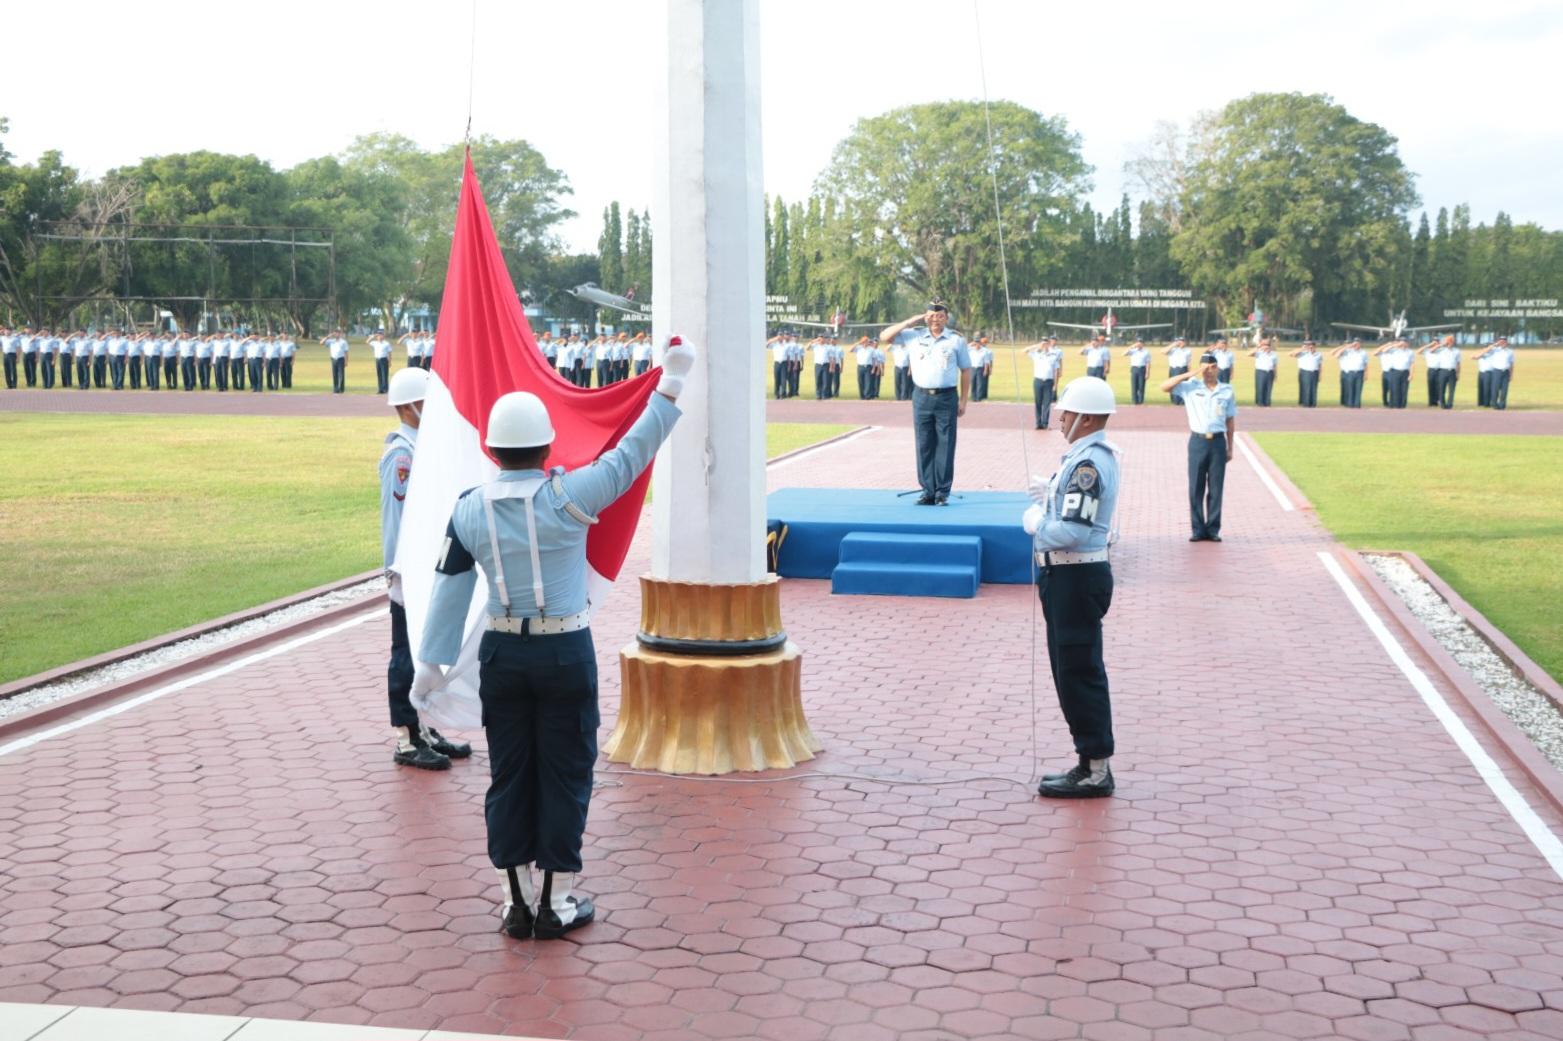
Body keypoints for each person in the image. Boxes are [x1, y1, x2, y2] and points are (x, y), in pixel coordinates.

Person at [413, 336, 694, 941]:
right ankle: (557, 900)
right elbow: (635, 449)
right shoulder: (573, 494)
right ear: (545, 447)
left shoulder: (468, 509)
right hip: (564, 650)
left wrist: (431, 664)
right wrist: (671, 382)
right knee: (567, 769)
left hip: (503, 653)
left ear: (492, 448)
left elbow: (449, 588)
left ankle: (513, 900)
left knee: (510, 771)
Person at [1022, 375, 1121, 799]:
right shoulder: (1083, 458)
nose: (1060, 417)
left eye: (1067, 411)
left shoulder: (1087, 465)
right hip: (1068, 576)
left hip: (1075, 575)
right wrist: (1050, 496)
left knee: (1078, 671)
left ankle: (1095, 767)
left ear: (1086, 418)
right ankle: (1088, 760)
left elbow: (1073, 533)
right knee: (1070, 670)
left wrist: (1036, 522)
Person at [379, 365, 472, 772]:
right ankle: (405, 736)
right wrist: (399, 568)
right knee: (406, 653)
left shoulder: (424, 449)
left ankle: (423, 727)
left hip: (427, 566)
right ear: (411, 406)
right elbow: (396, 518)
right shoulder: (402, 455)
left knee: (426, 650)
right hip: (410, 569)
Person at [880, 303, 971, 505]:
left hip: (947, 396)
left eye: (939, 316)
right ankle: (928, 490)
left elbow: (965, 370)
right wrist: (909, 321)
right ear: (925, 317)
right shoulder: (913, 335)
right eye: (931, 316)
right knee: (924, 444)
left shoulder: (956, 340)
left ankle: (942, 492)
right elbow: (885, 337)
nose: (935, 319)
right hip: (921, 396)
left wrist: (963, 400)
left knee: (945, 444)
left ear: (946, 318)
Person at [1162, 352, 1236, 543]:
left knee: (1216, 487)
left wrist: (1230, 447)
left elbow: (1230, 420)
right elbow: (1165, 386)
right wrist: (1190, 373)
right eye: (1203, 367)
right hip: (1198, 441)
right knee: (1196, 486)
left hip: (1218, 442)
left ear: (1216, 367)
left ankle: (1213, 529)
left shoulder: (1226, 390)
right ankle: (1197, 529)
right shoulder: (1190, 387)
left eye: (1210, 367)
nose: (1207, 371)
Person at [1027, 335, 1063, 429]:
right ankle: (1038, 423)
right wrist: (1037, 346)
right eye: (1043, 343)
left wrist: (1055, 384)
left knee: (1047, 403)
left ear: (1049, 344)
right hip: (1038, 381)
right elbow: (1024, 351)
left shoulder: (1053, 355)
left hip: (1048, 381)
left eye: (1046, 343)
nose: (1044, 345)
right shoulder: (1036, 354)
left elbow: (1056, 370)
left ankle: (1045, 423)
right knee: (1038, 403)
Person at [1477, 337, 1514, 409]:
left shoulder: (1510, 352)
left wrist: (1511, 374)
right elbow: (1484, 351)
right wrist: (1495, 344)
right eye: (1501, 342)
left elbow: (1511, 364)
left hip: (1506, 371)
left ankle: (1502, 404)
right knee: (1495, 389)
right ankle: (1494, 404)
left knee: (1504, 389)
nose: (1503, 343)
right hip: (1497, 371)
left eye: (1504, 342)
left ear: (1507, 343)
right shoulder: (1495, 350)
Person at [1332, 338, 1366, 407]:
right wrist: (1347, 346)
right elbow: (1335, 355)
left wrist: (1366, 373)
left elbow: (1365, 364)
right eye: (1355, 343)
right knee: (1350, 389)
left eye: (1358, 343)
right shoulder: (1348, 351)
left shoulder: (1363, 352)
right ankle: (1350, 404)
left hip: (1360, 372)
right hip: (1350, 372)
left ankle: (1357, 404)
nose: (1357, 345)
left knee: (1358, 389)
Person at [1290, 339, 1322, 407]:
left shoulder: (1318, 354)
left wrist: (1320, 375)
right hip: (1304, 372)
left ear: (1314, 346)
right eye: (1307, 345)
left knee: (1313, 388)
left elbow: (1320, 365)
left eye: (1311, 345)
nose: (1310, 347)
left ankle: (1312, 403)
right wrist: (1302, 349)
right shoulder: (1302, 353)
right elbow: (1291, 354)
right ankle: (1305, 403)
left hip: (1314, 372)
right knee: (1305, 388)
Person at [1250, 337, 1277, 406]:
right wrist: (1259, 347)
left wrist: (1275, 375)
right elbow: (1249, 354)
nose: (1266, 347)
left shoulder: (1273, 354)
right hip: (1260, 372)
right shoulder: (1258, 353)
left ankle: (1267, 402)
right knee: (1260, 387)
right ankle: (1260, 403)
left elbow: (1274, 366)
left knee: (1269, 388)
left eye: (1267, 345)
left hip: (1270, 372)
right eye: (1264, 345)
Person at [1124, 338, 1151, 405]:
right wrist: (1131, 347)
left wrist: (1147, 372)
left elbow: (1148, 363)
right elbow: (1124, 354)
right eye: (1137, 342)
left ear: (1143, 344)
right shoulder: (1133, 351)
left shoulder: (1146, 352)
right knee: (1134, 386)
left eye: (1140, 343)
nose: (1139, 344)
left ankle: (1140, 401)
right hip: (1134, 368)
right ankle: (1134, 401)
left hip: (1142, 369)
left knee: (1141, 386)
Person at [326, 330, 349, 394]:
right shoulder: (331, 341)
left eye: (338, 333)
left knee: (341, 374)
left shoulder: (343, 342)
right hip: (333, 359)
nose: (336, 334)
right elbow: (321, 343)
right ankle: (335, 389)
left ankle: (341, 389)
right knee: (334, 374)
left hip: (341, 359)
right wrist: (328, 337)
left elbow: (346, 352)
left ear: (340, 334)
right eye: (335, 333)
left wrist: (346, 361)